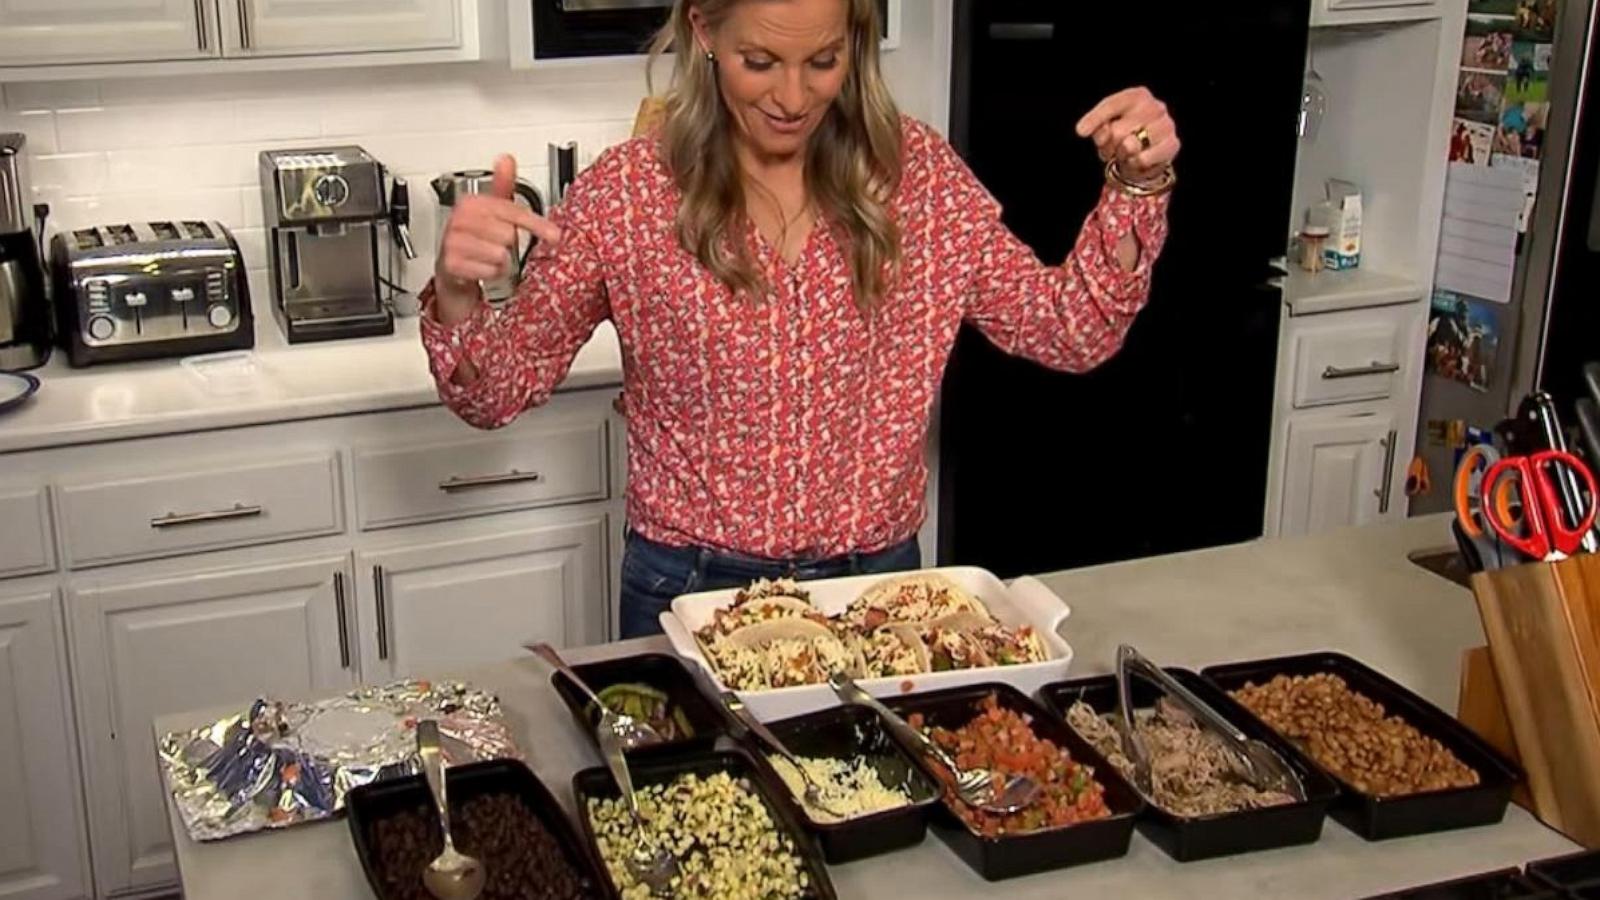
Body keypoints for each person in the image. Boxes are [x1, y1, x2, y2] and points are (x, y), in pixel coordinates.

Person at [420, 0, 1180, 638]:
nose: (792, 96)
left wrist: (1138, 185)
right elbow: (494, 394)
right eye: (761, 62)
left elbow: (1070, 330)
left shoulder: (917, 178)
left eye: (822, 61)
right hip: (688, 594)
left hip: (877, 602)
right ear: (705, 32)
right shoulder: (629, 195)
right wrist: (458, 291)